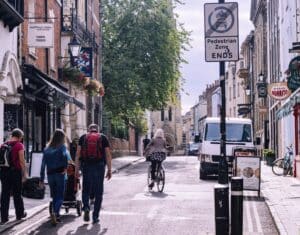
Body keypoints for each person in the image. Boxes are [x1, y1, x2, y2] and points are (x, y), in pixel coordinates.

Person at [75, 124, 112, 224]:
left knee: (86, 189)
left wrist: (76, 170)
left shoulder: (83, 138)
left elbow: (78, 154)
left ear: (89, 129)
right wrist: (109, 169)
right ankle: (95, 216)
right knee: (98, 192)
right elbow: (108, 155)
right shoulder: (103, 138)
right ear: (98, 130)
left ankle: (86, 207)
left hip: (86, 165)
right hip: (99, 166)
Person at [39, 129, 71, 226]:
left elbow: (42, 165)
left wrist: (41, 179)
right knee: (60, 196)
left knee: (54, 195)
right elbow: (65, 157)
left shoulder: (47, 149)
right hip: (60, 174)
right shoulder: (62, 147)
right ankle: (56, 213)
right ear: (62, 138)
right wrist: (65, 168)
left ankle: (54, 212)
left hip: (50, 175)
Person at [0, 128, 27, 225]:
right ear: (19, 137)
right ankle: (19, 214)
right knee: (17, 193)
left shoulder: (3, 145)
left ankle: (4, 217)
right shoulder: (19, 145)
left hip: (4, 172)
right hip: (15, 172)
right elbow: (21, 161)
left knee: (4, 194)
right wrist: (25, 174)